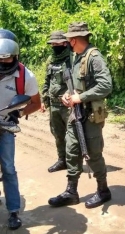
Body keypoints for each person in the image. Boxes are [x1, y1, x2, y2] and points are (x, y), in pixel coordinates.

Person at [48, 22, 112, 209]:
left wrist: (80, 97)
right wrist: (70, 95)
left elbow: (106, 85)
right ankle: (71, 191)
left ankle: (103, 190)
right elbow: (77, 85)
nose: (67, 42)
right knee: (72, 149)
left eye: (69, 39)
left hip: (90, 115)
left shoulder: (94, 57)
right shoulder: (78, 57)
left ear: (74, 40)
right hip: (76, 113)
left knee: (93, 154)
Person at [0, 29, 40, 229]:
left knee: (8, 168)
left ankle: (13, 210)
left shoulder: (25, 75)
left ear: (15, 56)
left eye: (6, 59)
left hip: (5, 126)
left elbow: (36, 103)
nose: (2, 63)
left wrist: (19, 113)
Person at [40, 30, 71, 173]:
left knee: (72, 136)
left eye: (56, 43)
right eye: (52, 44)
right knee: (57, 134)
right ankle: (62, 160)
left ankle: (74, 163)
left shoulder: (71, 59)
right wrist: (44, 99)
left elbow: (78, 82)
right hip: (54, 104)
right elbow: (47, 80)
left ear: (65, 43)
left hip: (68, 105)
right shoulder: (51, 60)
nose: (54, 46)